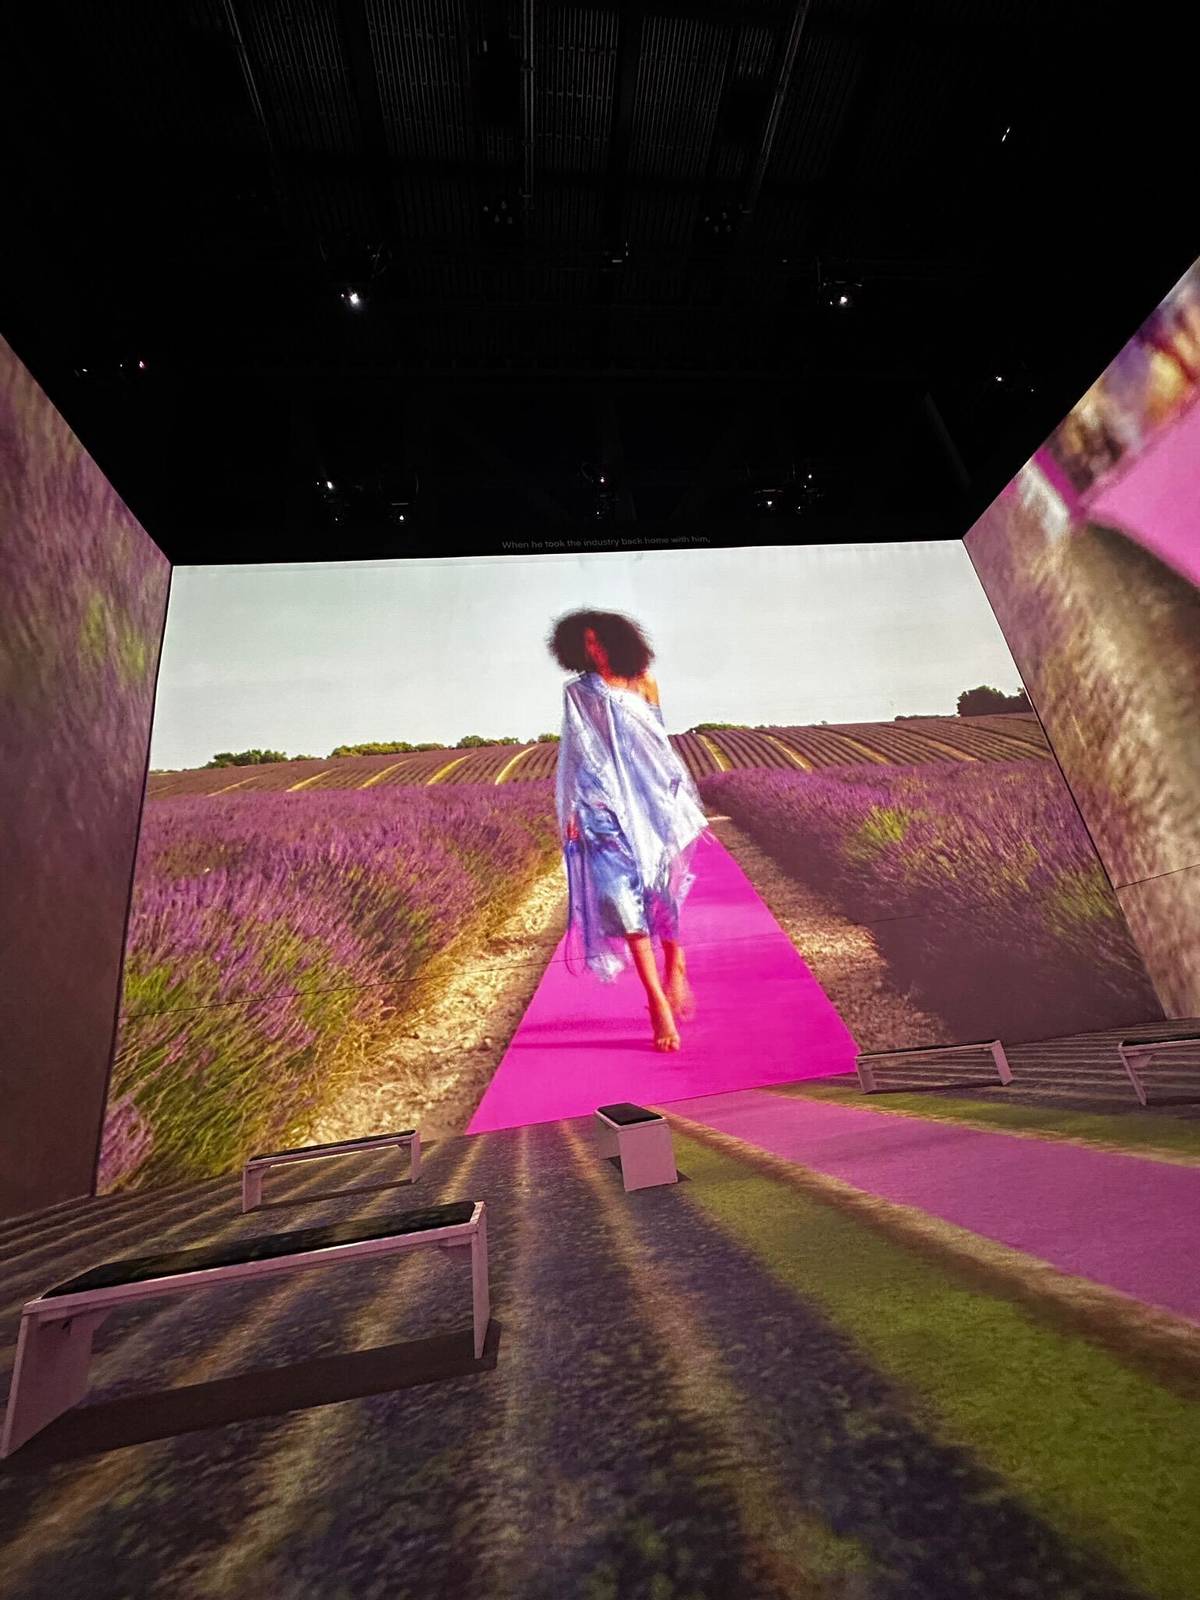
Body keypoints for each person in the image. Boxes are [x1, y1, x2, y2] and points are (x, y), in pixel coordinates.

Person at [548, 609, 708, 1051]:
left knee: (662, 896)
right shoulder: (578, 693)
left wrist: (675, 800)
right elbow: (577, 752)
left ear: (618, 641)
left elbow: (657, 743)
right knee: (623, 903)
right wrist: (575, 807)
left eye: (600, 641)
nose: (594, 650)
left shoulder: (644, 683)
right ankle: (656, 1002)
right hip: (602, 808)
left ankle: (676, 966)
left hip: (653, 804)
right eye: (586, 644)